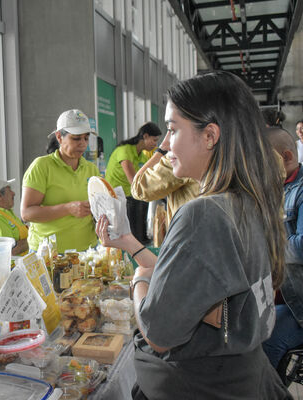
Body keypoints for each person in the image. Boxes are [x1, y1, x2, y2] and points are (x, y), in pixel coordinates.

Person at [96, 71, 290, 399]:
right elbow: (194, 281)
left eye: (172, 130)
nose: (166, 145)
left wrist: (140, 281)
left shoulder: (203, 213)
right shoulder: (248, 201)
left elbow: (159, 332)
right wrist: (130, 244)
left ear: (209, 135)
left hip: (199, 385)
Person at [21, 109, 100, 253]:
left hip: (87, 252)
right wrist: (68, 209)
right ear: (59, 137)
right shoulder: (42, 167)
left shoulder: (91, 169)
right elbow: (27, 213)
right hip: (49, 255)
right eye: (76, 138)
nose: (83, 144)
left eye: (86, 138)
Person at [262, 127, 303, 370]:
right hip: (280, 296)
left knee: (266, 342)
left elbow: (300, 248)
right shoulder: (274, 187)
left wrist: (265, 245)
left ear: (286, 157)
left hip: (297, 304)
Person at [105, 122, 162, 243]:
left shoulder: (141, 156)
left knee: (143, 205)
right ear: (145, 136)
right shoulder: (125, 151)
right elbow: (134, 181)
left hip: (130, 195)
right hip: (117, 197)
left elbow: (152, 174)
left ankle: (141, 243)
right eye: (154, 140)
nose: (155, 144)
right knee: (132, 234)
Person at [131, 130, 200, 224]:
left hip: (188, 232)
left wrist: (161, 150)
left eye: (172, 130)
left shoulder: (180, 156)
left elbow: (138, 188)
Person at [0, 178, 29, 256]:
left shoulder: (7, 214)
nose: (13, 193)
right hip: (12, 267)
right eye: (9, 190)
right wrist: (33, 238)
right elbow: (8, 251)